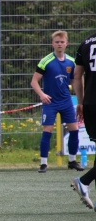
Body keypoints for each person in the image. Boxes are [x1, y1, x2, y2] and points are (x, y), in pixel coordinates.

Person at [30, 30, 83, 173]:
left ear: (67, 43)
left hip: (66, 101)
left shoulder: (72, 62)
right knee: (47, 131)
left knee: (74, 130)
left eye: (62, 42)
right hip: (50, 102)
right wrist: (41, 94)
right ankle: (43, 163)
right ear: (52, 43)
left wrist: (80, 100)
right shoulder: (46, 61)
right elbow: (34, 81)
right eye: (57, 42)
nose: (59, 44)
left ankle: (72, 161)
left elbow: (76, 80)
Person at [70, 31, 96, 210]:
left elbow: (77, 75)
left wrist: (80, 101)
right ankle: (84, 181)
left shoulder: (86, 42)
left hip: (90, 104)